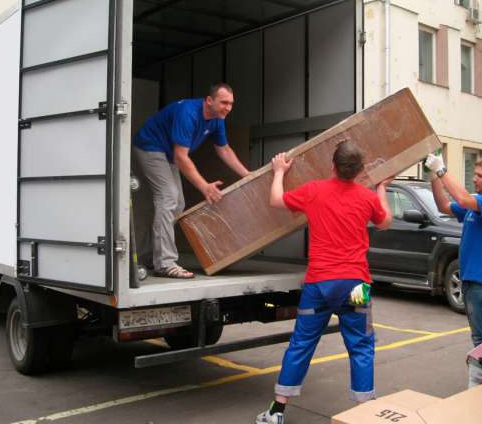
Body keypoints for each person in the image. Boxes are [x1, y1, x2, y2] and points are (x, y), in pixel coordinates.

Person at [255, 140, 393, 424]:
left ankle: (277, 412)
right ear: (360, 170)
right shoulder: (367, 198)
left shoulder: (314, 191)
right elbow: (385, 221)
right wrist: (381, 187)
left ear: (332, 166)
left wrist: (279, 171)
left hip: (320, 284)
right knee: (361, 345)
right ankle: (364, 412)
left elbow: (276, 201)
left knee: (302, 343)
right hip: (356, 284)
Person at [133, 83, 249, 279]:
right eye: (224, 102)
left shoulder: (216, 119)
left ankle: (154, 256)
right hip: (150, 146)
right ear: (209, 100)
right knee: (168, 198)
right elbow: (181, 157)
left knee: (178, 204)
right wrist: (205, 187)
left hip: (169, 154)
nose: (228, 108)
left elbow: (224, 150)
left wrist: (247, 175)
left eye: (231, 103)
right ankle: (165, 263)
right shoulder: (188, 113)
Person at [425, 153, 482, 346]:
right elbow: (443, 206)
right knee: (480, 339)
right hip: (472, 281)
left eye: (480, 176)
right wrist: (434, 178)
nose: (474, 178)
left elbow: (462, 199)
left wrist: (441, 170)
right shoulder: (476, 204)